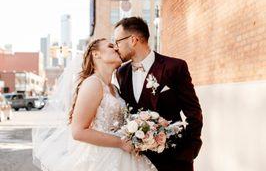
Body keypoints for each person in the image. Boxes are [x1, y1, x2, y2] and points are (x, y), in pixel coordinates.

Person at [32, 38, 157, 171]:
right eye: (110, 46)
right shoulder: (93, 83)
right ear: (96, 54)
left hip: (124, 156)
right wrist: (120, 142)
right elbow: (78, 131)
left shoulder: (114, 88)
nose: (116, 48)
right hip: (100, 159)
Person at [115, 17, 203, 171]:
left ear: (133, 39)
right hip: (137, 161)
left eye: (118, 42)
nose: (116, 47)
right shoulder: (121, 73)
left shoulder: (174, 67)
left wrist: (189, 150)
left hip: (174, 159)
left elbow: (194, 112)